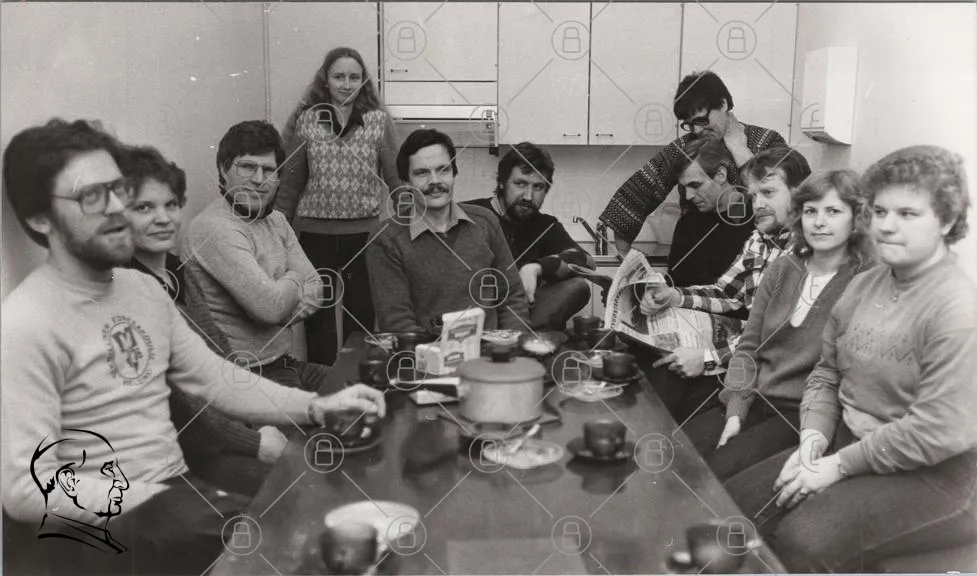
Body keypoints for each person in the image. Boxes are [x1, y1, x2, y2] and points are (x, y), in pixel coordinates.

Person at [0, 118, 386, 575]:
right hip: (111, 530)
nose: (118, 209)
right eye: (91, 196)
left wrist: (317, 407)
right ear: (40, 219)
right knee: (302, 541)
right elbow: (25, 491)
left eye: (119, 190)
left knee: (343, 526)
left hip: (175, 493)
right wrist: (158, 501)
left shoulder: (142, 290)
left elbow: (216, 379)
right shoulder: (26, 322)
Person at [724, 145, 977, 572]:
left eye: (908, 214)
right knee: (736, 505)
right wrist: (812, 440)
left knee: (804, 540)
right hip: (847, 442)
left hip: (934, 475)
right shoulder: (864, 286)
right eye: (880, 212)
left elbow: (935, 429)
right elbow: (826, 374)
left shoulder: (957, 307)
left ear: (947, 220)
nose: (888, 226)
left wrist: (837, 466)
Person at [681, 169, 875, 481]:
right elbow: (748, 348)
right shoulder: (783, 268)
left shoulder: (866, 281)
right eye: (810, 211)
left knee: (713, 478)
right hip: (753, 398)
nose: (819, 222)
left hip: (802, 415)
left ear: (857, 218)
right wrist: (736, 410)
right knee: (677, 456)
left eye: (833, 212)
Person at [119, 144, 283, 496]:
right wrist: (256, 441)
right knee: (285, 485)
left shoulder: (177, 270)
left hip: (220, 431)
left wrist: (256, 420)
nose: (163, 218)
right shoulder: (126, 290)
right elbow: (184, 408)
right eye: (144, 208)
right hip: (176, 456)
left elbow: (221, 355)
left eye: (170, 205)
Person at [639, 146, 811, 421]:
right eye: (753, 196)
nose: (757, 205)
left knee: (676, 396)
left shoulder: (809, 251)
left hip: (776, 379)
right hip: (743, 357)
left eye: (768, 193)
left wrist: (707, 357)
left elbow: (777, 333)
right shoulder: (759, 239)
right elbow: (727, 293)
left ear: (801, 194)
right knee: (660, 373)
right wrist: (674, 296)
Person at [182, 120, 333, 397]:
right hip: (244, 376)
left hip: (282, 364)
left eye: (269, 170)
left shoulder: (276, 220)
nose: (259, 179)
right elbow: (270, 307)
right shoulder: (215, 227)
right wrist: (293, 278)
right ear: (224, 170)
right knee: (335, 418)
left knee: (364, 388)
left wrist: (279, 302)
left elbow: (316, 286)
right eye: (247, 167)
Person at [599, 71, 787, 288]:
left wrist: (739, 150)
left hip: (754, 264)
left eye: (701, 120)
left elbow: (788, 199)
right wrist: (625, 259)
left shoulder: (767, 142)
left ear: (723, 104)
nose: (697, 130)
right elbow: (637, 194)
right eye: (689, 124)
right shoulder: (684, 148)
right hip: (695, 258)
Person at [276, 46, 401, 365]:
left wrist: (408, 224)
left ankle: (357, 380)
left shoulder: (378, 121)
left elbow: (396, 178)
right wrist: (278, 236)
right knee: (318, 320)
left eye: (354, 77)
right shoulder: (308, 120)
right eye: (339, 77)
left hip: (365, 238)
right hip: (314, 238)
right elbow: (290, 185)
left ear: (363, 81)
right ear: (326, 80)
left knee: (362, 317)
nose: (346, 84)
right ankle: (324, 384)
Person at [365, 129, 530, 335]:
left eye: (443, 170)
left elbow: (513, 298)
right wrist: (446, 351)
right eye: (422, 173)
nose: (435, 181)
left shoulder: (485, 222)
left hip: (490, 352)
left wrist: (510, 345)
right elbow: (397, 324)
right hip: (424, 353)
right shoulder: (386, 239)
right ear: (406, 182)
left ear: (454, 174)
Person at [463, 142, 593, 330]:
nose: (528, 197)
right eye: (520, 184)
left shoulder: (545, 225)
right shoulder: (472, 214)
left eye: (538, 187)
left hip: (523, 314)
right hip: (475, 313)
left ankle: (527, 337)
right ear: (501, 182)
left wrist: (535, 268)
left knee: (579, 287)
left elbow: (587, 261)